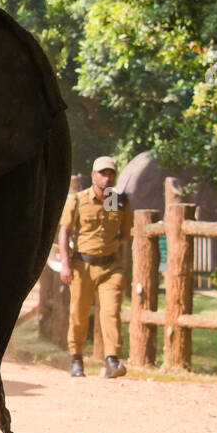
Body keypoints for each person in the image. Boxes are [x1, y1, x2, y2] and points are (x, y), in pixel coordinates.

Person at [58, 155, 133, 379]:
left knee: (111, 312)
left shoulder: (117, 201)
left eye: (111, 173)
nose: (107, 177)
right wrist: (65, 264)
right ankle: (77, 359)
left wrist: (108, 247)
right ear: (93, 176)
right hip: (82, 265)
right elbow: (65, 231)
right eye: (103, 173)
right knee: (79, 314)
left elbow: (124, 233)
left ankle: (112, 360)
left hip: (110, 267)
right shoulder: (79, 200)